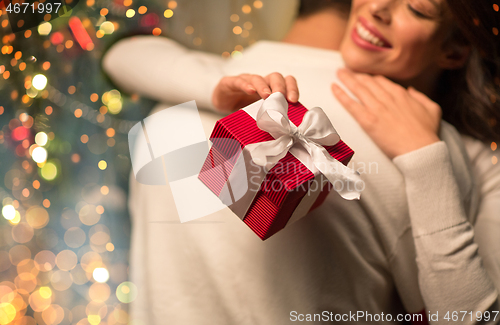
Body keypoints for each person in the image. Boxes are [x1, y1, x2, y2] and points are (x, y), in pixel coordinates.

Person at [103, 0, 500, 324]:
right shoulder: (235, 83)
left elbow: (119, 52)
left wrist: (423, 154)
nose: (378, 7)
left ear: (454, 48)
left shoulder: (169, 106)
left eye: (418, 8)